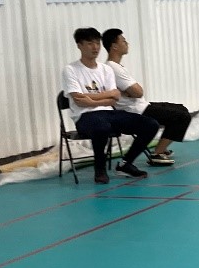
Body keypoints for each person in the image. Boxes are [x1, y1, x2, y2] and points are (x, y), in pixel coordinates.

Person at [61, 27, 160, 184]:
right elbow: (78, 99)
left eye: (97, 43)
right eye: (90, 43)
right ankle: (100, 169)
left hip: (109, 113)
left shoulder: (106, 69)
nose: (95, 47)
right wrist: (104, 96)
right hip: (84, 116)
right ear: (79, 45)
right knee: (102, 128)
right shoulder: (71, 69)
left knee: (150, 124)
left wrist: (91, 100)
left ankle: (126, 163)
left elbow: (115, 97)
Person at [103, 28, 192, 165]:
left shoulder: (117, 67)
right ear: (114, 46)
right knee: (182, 117)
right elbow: (138, 92)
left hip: (141, 105)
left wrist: (131, 91)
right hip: (135, 111)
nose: (127, 43)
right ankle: (157, 153)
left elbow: (136, 91)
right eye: (123, 41)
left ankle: (161, 149)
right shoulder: (113, 68)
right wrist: (131, 91)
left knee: (181, 109)